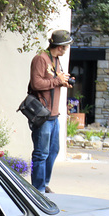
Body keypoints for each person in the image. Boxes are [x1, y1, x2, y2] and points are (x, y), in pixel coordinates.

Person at [28, 30, 73, 193]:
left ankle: (44, 183)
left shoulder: (56, 60)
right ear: (59, 47)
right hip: (42, 115)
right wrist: (56, 81)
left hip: (53, 115)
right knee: (41, 153)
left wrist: (62, 82)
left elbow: (52, 81)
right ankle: (37, 189)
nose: (67, 49)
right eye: (66, 46)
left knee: (53, 150)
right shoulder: (41, 58)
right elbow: (36, 84)